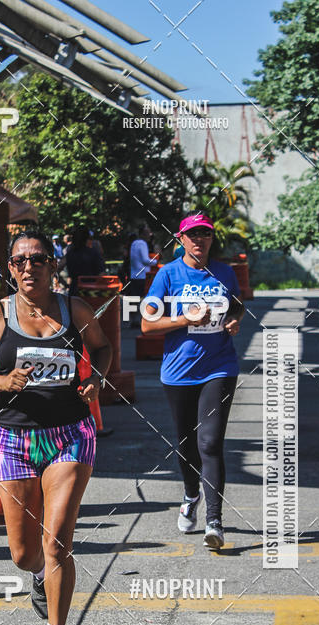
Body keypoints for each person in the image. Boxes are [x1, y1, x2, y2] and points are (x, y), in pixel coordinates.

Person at [0, 229, 112, 625]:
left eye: (39, 259)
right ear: (10, 268)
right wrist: (2, 381)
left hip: (70, 435)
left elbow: (102, 348)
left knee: (57, 541)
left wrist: (95, 379)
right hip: (13, 439)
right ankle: (38, 577)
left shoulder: (75, 309)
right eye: (20, 261)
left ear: (53, 265)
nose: (30, 267)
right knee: (25, 554)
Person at [141, 212, 244, 550]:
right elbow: (147, 324)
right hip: (179, 373)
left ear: (212, 239)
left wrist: (232, 320)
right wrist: (186, 318)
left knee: (210, 444)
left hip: (220, 368)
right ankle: (190, 495)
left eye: (206, 235)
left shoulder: (224, 272)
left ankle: (214, 521)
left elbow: (237, 306)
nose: (200, 240)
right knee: (187, 445)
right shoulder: (168, 275)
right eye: (193, 235)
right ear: (181, 239)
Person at [64, 225, 105, 298]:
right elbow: (101, 274)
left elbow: (60, 267)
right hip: (90, 291)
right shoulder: (93, 253)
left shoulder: (70, 254)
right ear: (87, 238)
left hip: (74, 291)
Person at [129, 224, 157, 326]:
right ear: (142, 234)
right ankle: (143, 320)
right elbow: (145, 260)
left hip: (134, 275)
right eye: (147, 233)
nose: (149, 235)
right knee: (143, 298)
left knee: (134, 298)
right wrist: (156, 261)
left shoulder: (134, 243)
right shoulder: (142, 244)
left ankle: (134, 320)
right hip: (142, 275)